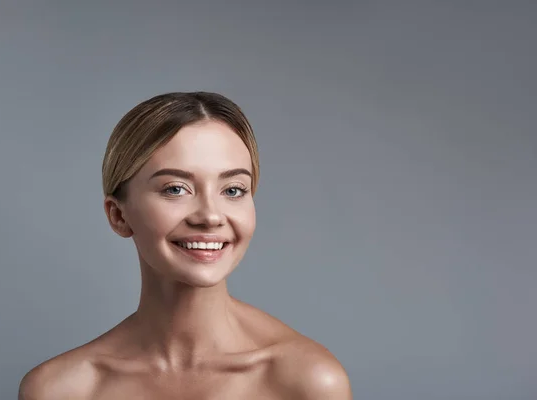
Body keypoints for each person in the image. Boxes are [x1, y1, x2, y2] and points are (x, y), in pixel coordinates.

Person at [18, 92, 352, 399]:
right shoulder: (61, 390)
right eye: (176, 189)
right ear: (119, 215)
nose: (210, 216)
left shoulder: (307, 381)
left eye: (233, 190)